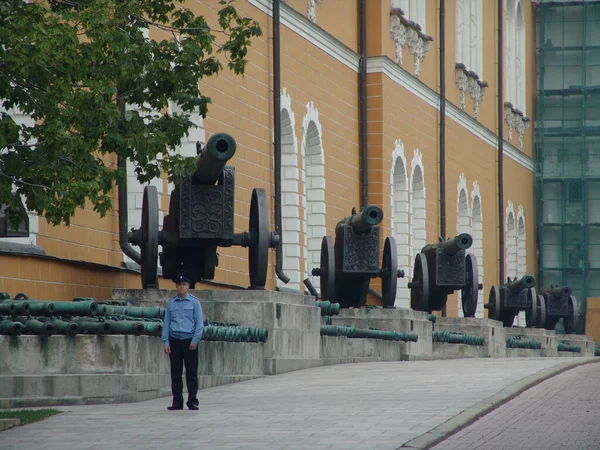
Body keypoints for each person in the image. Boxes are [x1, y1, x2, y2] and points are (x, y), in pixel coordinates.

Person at [161, 271, 204, 411]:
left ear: (188, 286)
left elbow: (199, 324)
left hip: (189, 341)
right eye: (179, 285)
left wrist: (195, 340)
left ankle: (192, 401)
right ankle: (177, 401)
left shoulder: (194, 303)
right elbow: (166, 323)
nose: (181, 287)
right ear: (176, 286)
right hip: (175, 340)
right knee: (175, 373)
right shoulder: (170, 304)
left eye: (184, 284)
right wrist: (166, 342)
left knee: (191, 373)